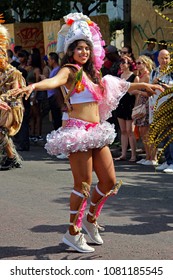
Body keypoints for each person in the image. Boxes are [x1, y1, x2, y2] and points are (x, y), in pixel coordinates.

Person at [10, 13, 164, 253]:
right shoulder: (70, 71)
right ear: (71, 51)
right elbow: (53, 82)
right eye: (79, 48)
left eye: (86, 48)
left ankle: (91, 220)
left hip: (95, 132)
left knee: (109, 182)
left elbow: (119, 85)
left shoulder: (94, 74)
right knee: (82, 185)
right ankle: (72, 232)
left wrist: (143, 86)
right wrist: (33, 85)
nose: (83, 52)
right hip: (78, 133)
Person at [0, 23, 25, 170]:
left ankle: (12, 158)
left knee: (1, 132)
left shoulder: (14, 73)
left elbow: (16, 92)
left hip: (11, 108)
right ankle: (10, 157)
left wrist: (3, 98)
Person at [149, 49, 173, 173]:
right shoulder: (154, 72)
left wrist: (168, 87)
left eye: (167, 58)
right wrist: (153, 84)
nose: (164, 60)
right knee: (163, 135)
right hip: (158, 108)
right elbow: (149, 90)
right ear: (158, 59)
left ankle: (172, 162)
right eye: (162, 58)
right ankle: (167, 160)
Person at [132, 55, 156, 166]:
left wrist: (138, 92)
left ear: (145, 63)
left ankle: (153, 157)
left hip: (146, 104)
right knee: (142, 132)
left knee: (147, 132)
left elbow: (151, 93)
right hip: (141, 104)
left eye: (139, 63)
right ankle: (148, 156)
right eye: (136, 63)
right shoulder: (140, 76)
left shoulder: (147, 76)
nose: (137, 65)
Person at [114, 56, 139, 162]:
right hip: (121, 104)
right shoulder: (119, 76)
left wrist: (136, 106)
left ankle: (133, 154)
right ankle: (123, 154)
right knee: (123, 130)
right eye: (121, 63)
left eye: (124, 63)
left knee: (130, 131)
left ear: (129, 64)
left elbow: (137, 93)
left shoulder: (134, 77)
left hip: (130, 104)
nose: (122, 65)